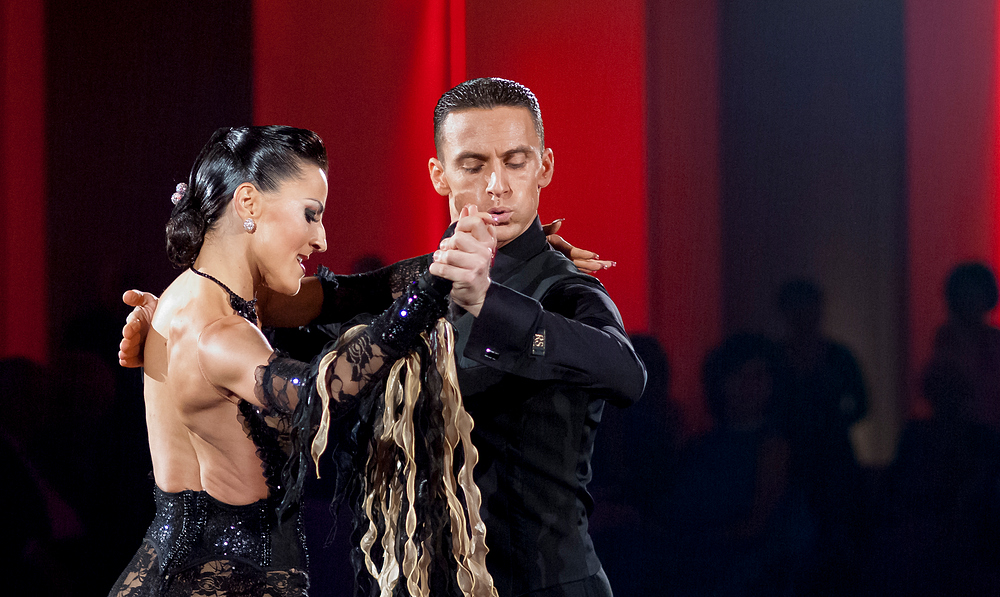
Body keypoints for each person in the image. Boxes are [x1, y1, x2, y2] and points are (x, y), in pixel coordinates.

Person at [122, 79, 646, 597]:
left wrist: (495, 303)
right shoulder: (397, 294)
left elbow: (626, 373)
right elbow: (284, 309)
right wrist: (174, 314)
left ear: (544, 167)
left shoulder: (565, 289)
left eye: (515, 161)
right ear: (439, 175)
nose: (496, 187)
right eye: (473, 165)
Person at [110, 125, 496, 597]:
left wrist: (472, 260)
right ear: (248, 203)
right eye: (311, 215)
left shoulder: (214, 296)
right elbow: (323, 391)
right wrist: (430, 296)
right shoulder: (217, 334)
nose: (322, 240)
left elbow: (351, 293)